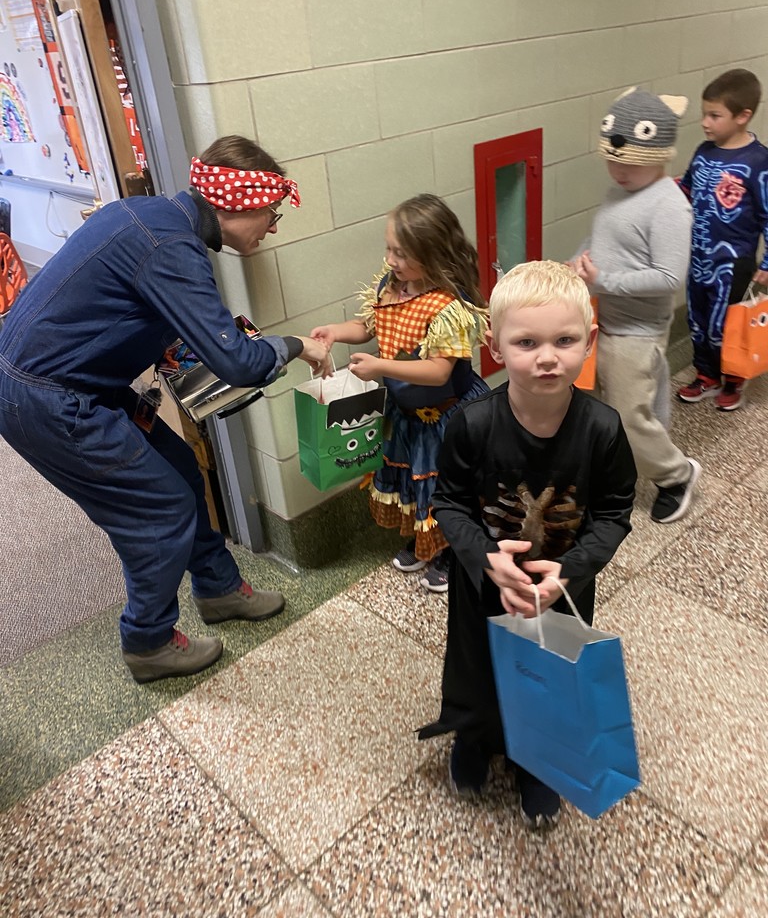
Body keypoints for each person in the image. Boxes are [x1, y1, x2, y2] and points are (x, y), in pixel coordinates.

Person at [0, 135, 331, 683]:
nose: (272, 227)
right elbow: (240, 362)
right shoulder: (171, 247)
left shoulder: (152, 217)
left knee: (180, 468)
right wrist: (297, 345)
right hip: (49, 399)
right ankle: (148, 642)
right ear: (236, 203)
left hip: (70, 380)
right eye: (271, 213)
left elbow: (120, 311)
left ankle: (219, 589)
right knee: (160, 510)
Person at [418, 260, 636, 829]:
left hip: (560, 585)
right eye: (526, 342)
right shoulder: (471, 425)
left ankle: (540, 762)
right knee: (477, 667)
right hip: (484, 580)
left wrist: (570, 571)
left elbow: (614, 513)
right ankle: (473, 735)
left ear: (589, 340)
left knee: (552, 672)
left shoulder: (603, 430)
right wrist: (486, 558)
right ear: (494, 345)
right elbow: (450, 503)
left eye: (564, 341)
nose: (547, 357)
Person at [310, 193, 489, 592]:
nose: (390, 259)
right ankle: (427, 540)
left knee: (445, 484)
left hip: (446, 415)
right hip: (408, 415)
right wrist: (336, 331)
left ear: (433, 253)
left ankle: (452, 552)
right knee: (414, 479)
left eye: (401, 253)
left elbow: (439, 372)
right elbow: (370, 326)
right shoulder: (392, 285)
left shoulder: (447, 306)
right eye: (389, 248)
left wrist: (380, 367)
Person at [571, 87, 702, 524]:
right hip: (601, 321)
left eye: (630, 163)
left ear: (659, 155)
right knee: (595, 410)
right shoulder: (619, 191)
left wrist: (603, 280)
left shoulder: (669, 206)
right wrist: (577, 261)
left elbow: (669, 277)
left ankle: (676, 475)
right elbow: (601, 238)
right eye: (613, 161)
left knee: (630, 418)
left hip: (636, 333)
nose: (619, 171)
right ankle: (607, 475)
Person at [675, 68, 768, 412]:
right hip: (698, 255)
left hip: (734, 262)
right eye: (704, 114)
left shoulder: (758, 161)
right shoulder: (703, 151)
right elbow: (685, 189)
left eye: (715, 116)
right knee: (698, 319)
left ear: (743, 116)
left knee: (726, 323)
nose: (705, 122)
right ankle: (707, 375)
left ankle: (733, 379)